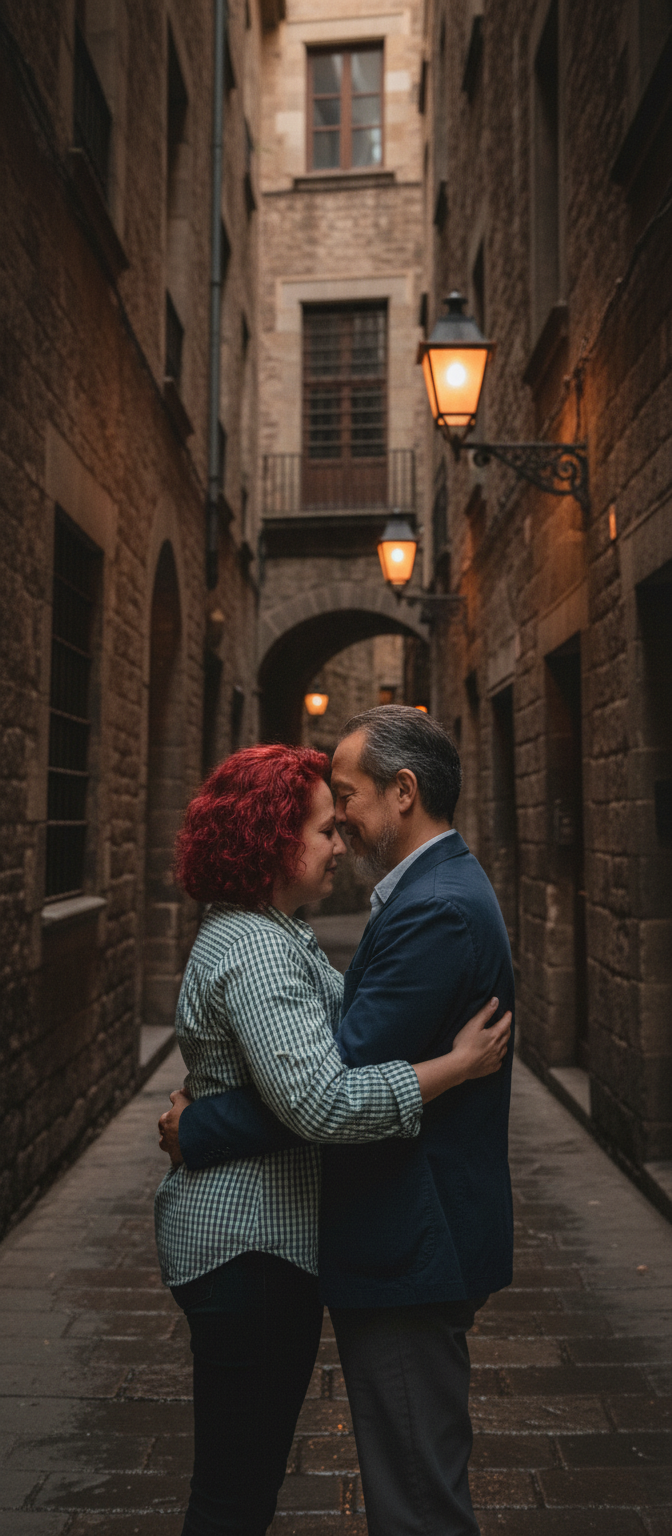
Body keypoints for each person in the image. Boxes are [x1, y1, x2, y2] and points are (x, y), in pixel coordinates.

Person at [155, 740, 511, 1536]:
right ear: (271, 839)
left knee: (243, 1489)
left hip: (272, 1251)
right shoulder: (255, 946)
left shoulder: (284, 931)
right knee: (233, 1496)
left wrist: (203, 1117)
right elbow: (320, 1097)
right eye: (324, 827)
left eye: (342, 816)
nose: (339, 840)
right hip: (245, 1251)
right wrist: (452, 1067)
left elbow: (330, 1053)